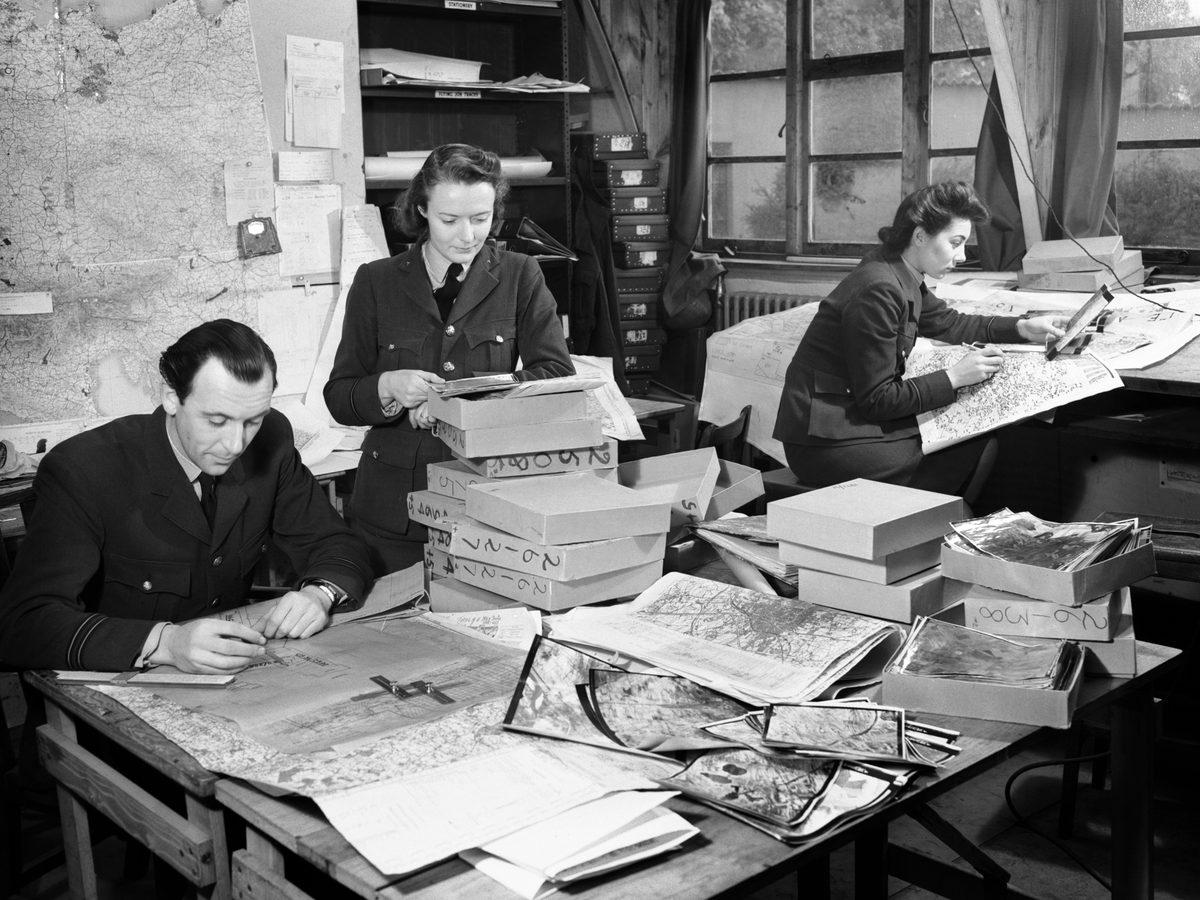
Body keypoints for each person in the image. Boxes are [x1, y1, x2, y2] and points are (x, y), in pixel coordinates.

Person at [0, 319, 374, 673]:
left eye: (252, 420)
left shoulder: (271, 439)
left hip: (234, 677)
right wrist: (165, 643)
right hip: (117, 687)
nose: (235, 444)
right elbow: (24, 623)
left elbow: (336, 543)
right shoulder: (85, 469)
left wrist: (320, 594)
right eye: (216, 421)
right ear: (171, 398)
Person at [324, 143, 574, 575]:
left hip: (487, 498)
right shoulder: (375, 282)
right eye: (449, 220)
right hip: (392, 511)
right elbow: (339, 396)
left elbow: (555, 374)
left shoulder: (520, 274)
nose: (467, 236)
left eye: (480, 219)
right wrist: (386, 388)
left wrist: (455, 404)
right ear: (421, 208)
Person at [774, 181, 1068, 497]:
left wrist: (1022, 328)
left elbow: (949, 323)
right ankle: (937, 528)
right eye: (955, 242)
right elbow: (878, 399)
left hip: (846, 422)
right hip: (825, 443)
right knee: (966, 447)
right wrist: (955, 377)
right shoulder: (880, 288)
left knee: (975, 438)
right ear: (919, 236)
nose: (962, 255)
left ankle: (948, 523)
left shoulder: (899, 272)